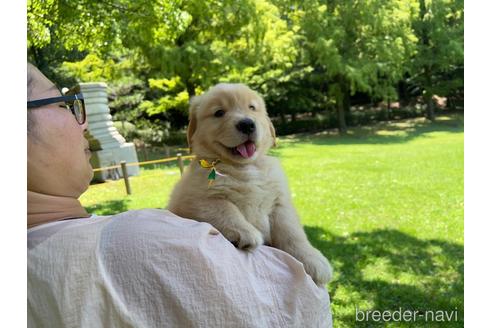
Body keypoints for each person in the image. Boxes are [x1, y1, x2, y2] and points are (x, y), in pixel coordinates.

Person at [27, 63, 333, 328]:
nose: (244, 119)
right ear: (194, 131)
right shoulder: (158, 240)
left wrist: (298, 247)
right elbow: (307, 304)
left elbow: (281, 210)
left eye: (253, 109)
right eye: (63, 103)